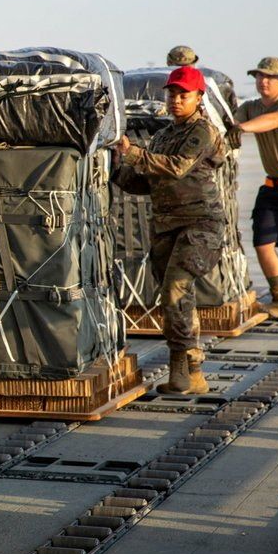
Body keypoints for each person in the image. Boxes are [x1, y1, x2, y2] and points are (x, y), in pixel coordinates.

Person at [113, 67, 226, 394]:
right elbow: (145, 183)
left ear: (198, 97)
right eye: (172, 94)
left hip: (200, 224)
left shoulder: (202, 132)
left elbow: (177, 168)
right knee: (176, 298)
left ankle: (180, 368)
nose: (175, 100)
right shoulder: (163, 135)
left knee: (175, 290)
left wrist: (134, 152)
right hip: (165, 226)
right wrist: (115, 166)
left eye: (183, 95)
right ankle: (193, 370)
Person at [230, 57, 278, 319]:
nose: (263, 81)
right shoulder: (250, 108)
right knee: (263, 242)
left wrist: (240, 129)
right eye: (259, 76)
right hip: (272, 185)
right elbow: (228, 123)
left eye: (269, 77)